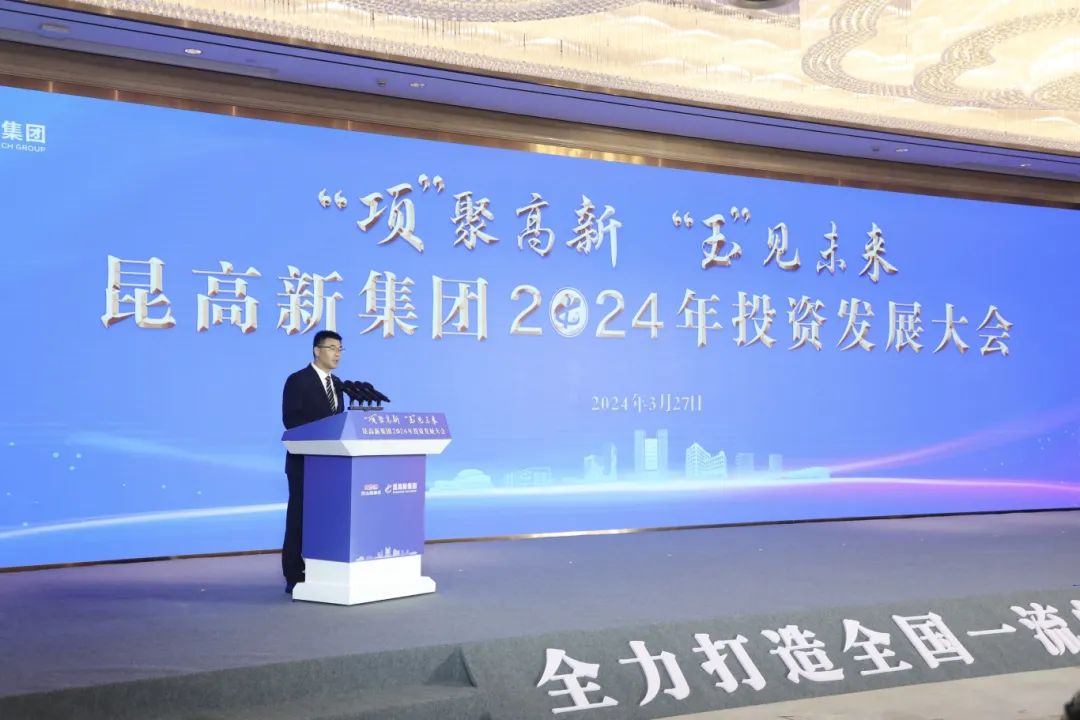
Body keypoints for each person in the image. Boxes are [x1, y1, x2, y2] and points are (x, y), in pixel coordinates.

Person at [280, 330, 345, 593]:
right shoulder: (298, 380)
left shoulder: (337, 383)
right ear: (317, 350)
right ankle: (294, 574)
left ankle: (322, 568)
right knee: (299, 517)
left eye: (340, 349)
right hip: (304, 462)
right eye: (332, 348)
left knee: (326, 517)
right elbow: (291, 420)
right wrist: (323, 432)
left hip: (331, 464)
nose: (337, 354)